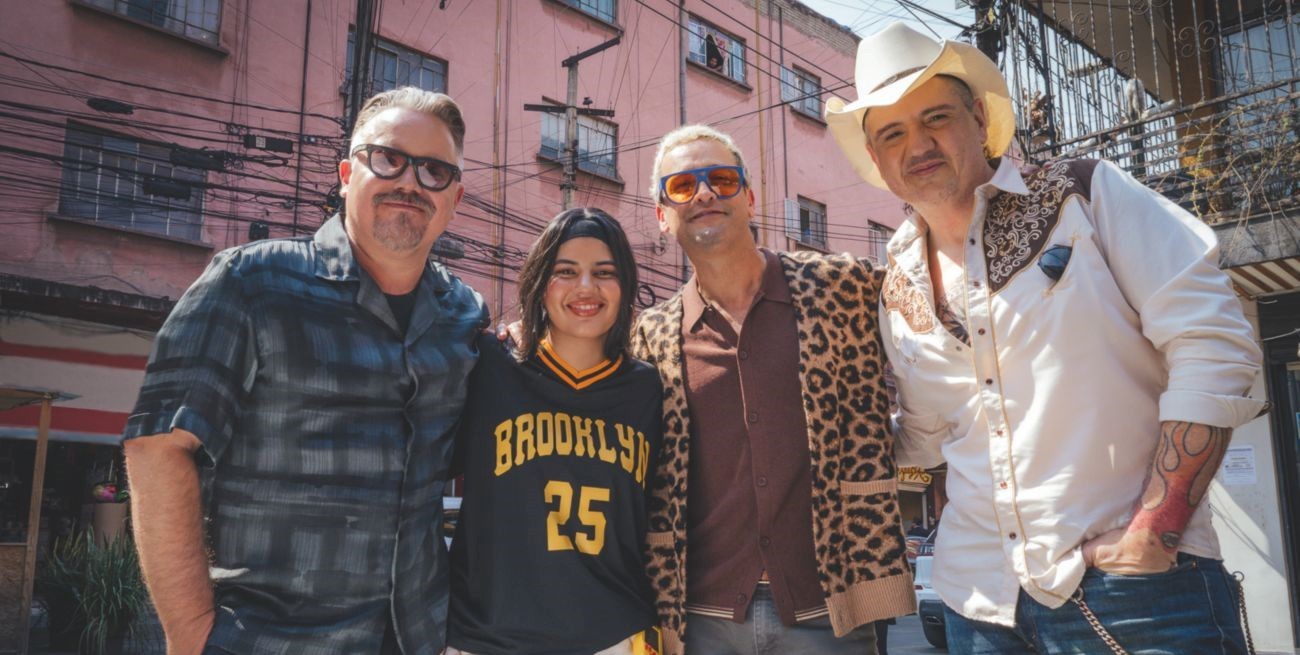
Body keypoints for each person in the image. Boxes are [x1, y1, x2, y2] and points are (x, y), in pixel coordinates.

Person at [825, 23, 1264, 654]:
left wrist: (1156, 528)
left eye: (935, 117)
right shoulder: (896, 282)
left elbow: (1213, 339)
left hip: (1137, 592)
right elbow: (927, 436)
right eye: (892, 133)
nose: (917, 144)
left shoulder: (1084, 194)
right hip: (977, 603)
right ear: (876, 156)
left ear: (979, 118)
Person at [121, 87, 486, 655]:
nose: (410, 182)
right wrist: (190, 631)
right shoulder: (251, 282)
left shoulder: (464, 315)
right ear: (346, 174)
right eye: (388, 158)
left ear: (455, 198)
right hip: (269, 639)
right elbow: (159, 447)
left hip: (417, 638)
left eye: (434, 171)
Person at [631, 125, 915, 655]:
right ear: (662, 216)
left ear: (750, 198)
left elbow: (939, 327)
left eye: (721, 179)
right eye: (683, 186)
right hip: (700, 619)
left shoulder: (842, 287)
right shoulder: (651, 335)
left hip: (830, 608)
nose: (705, 194)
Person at [447, 208, 661, 655]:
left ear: (625, 286)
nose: (585, 287)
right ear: (539, 282)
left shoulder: (649, 388)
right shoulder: (488, 363)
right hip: (487, 637)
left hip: (612, 637)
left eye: (604, 272)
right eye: (565, 271)